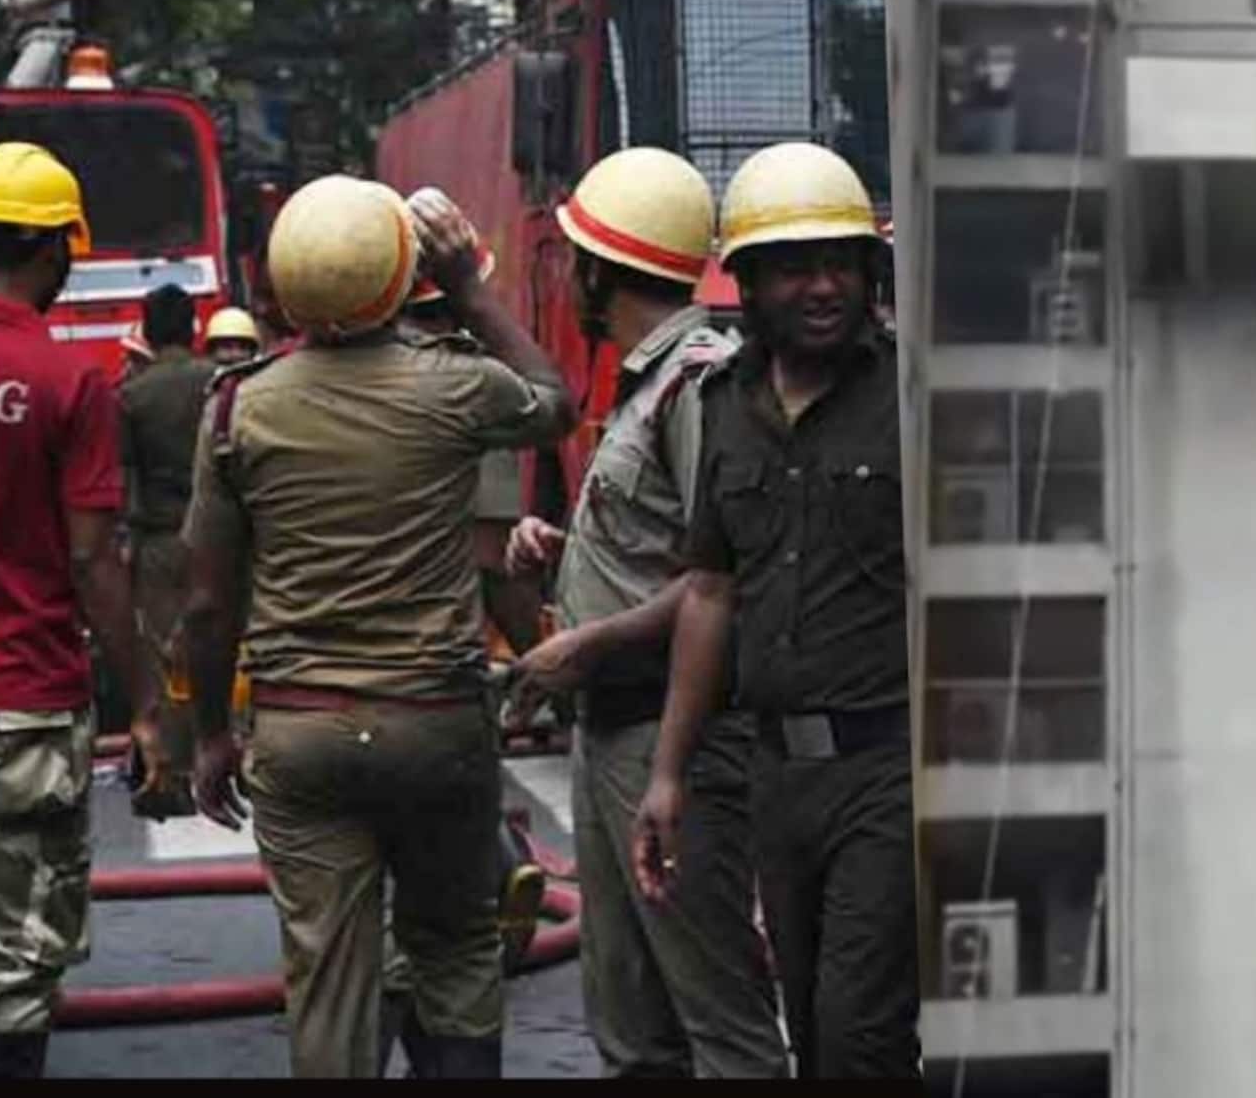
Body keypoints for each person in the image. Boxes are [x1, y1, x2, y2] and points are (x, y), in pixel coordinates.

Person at [179, 175, 574, 1079]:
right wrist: (470, 290)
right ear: (402, 275)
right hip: (435, 726)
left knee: (327, 976)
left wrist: (208, 735)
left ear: (281, 287)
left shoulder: (240, 406)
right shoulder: (456, 388)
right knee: (457, 950)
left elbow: (207, 603)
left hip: (300, 728)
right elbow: (551, 401)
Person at [633, 142, 918, 1079]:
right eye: (795, 266)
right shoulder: (725, 405)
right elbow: (711, 590)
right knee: (808, 1028)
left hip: (892, 768)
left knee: (856, 1037)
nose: (824, 285)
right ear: (748, 283)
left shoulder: (915, 397)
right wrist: (668, 775)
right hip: (776, 778)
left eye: (841, 262)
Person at [506, 148, 786, 1079]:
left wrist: (590, 640)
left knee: (719, 1020)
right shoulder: (650, 384)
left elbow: (731, 571)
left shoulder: (701, 379)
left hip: (677, 741)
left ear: (596, 269)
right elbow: (664, 537)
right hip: (612, 731)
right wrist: (569, 551)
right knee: (630, 1024)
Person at [0, 143, 168, 1079]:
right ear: (48, 250)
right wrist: (149, 701)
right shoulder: (69, 379)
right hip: (22, 702)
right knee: (17, 956)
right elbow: (92, 559)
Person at [376, 242, 549, 1076]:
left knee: (353, 928)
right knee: (441, 934)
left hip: (313, 706)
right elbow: (490, 555)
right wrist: (553, 660)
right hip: (433, 697)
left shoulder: (283, 391)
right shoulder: (464, 389)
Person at [117, 284, 215, 818]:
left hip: (157, 538)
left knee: (161, 654)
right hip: (213, 538)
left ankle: (169, 772)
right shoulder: (219, 385)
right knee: (217, 644)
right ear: (192, 327)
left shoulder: (133, 395)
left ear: (149, 331)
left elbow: (121, 478)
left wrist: (123, 542)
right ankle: (223, 756)